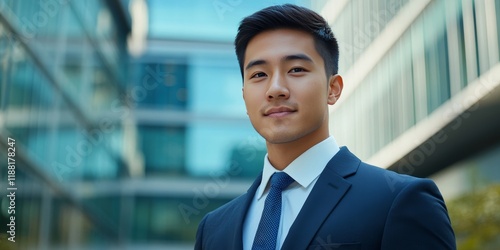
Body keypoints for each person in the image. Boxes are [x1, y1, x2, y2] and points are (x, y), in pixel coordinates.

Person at [195, 4, 456, 250]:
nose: (275, 89)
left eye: (296, 69)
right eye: (259, 75)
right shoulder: (214, 228)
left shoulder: (399, 201)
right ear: (244, 96)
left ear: (333, 89)